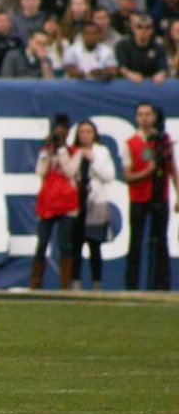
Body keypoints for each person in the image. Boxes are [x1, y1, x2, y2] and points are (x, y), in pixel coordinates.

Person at [122, 102, 179, 290]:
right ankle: (132, 285)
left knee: (161, 240)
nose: (145, 118)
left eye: (148, 114)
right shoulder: (131, 143)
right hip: (138, 198)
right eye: (141, 114)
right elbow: (128, 175)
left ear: (154, 117)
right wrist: (147, 172)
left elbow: (172, 168)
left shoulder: (163, 140)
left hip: (159, 196)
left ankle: (161, 285)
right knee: (136, 241)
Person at [64, 120, 116, 290]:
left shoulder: (102, 151)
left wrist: (92, 160)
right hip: (76, 201)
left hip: (96, 202)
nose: (85, 135)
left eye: (89, 131)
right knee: (76, 244)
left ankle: (96, 282)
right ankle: (76, 282)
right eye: (82, 132)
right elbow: (68, 173)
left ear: (94, 134)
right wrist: (78, 157)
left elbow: (109, 175)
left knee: (95, 244)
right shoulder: (72, 151)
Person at [31, 114, 79, 290]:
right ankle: (35, 283)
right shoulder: (46, 151)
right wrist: (46, 153)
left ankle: (65, 286)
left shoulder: (74, 151)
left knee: (65, 244)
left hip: (67, 202)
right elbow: (40, 171)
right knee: (42, 243)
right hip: (48, 201)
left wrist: (61, 151)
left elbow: (70, 172)